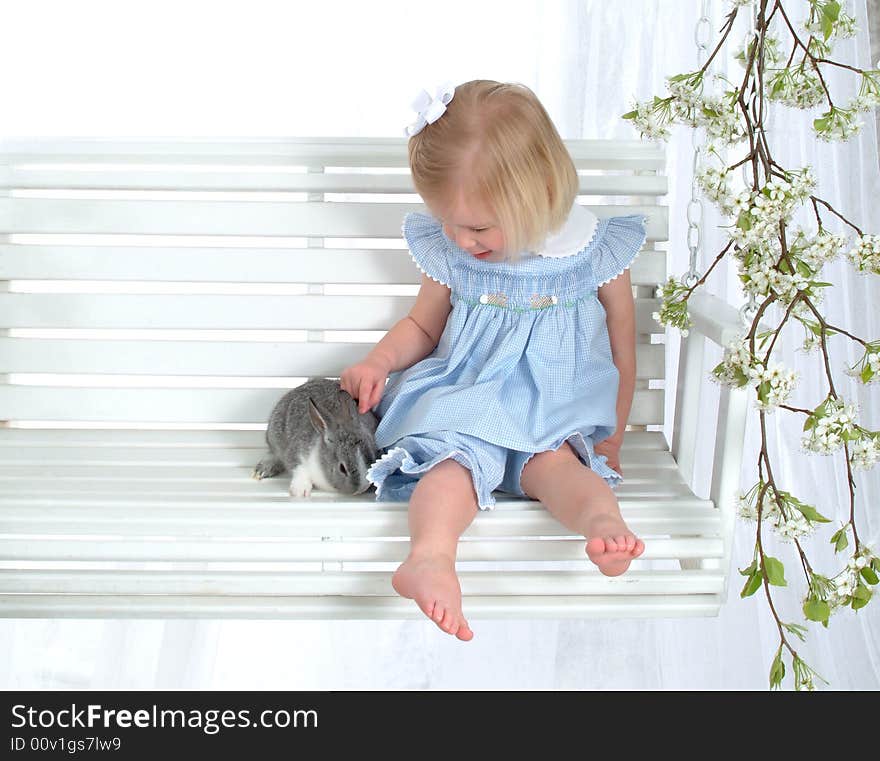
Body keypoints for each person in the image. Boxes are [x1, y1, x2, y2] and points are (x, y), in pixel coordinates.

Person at [340, 79, 646, 641]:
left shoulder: (593, 253)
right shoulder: (457, 257)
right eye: (448, 224)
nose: (459, 239)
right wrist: (380, 361)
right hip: (470, 404)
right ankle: (430, 558)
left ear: (543, 191)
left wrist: (612, 440)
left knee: (564, 473)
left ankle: (603, 526)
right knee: (447, 467)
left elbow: (623, 345)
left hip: (550, 416)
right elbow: (423, 325)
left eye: (478, 227)